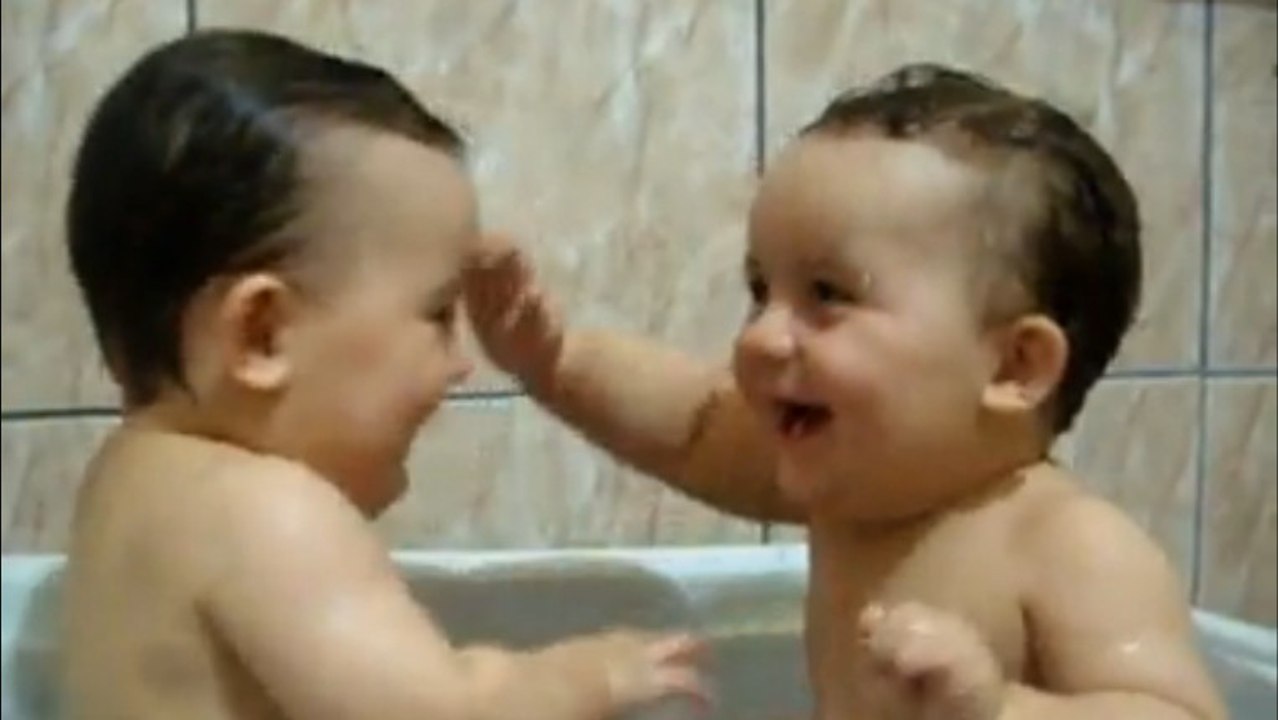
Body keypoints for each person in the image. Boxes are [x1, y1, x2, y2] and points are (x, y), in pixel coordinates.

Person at [466, 63, 1227, 719]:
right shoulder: (853, 485)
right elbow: (691, 425)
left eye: (828, 293)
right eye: (761, 289)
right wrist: (555, 361)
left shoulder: (1068, 544)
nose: (761, 336)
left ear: (1013, 368)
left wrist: (1001, 707)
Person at [60, 29, 705, 720]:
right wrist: (584, 679)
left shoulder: (124, 487)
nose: (461, 364)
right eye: (437, 314)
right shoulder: (266, 512)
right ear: (263, 332)